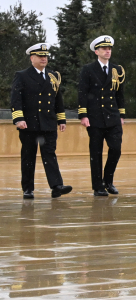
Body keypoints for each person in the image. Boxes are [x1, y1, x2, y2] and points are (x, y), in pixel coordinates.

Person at [11, 43, 72, 199]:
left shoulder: (53, 76)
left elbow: (58, 100)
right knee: (28, 156)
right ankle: (28, 189)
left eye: (45, 56)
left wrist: (61, 119)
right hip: (29, 124)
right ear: (32, 58)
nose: (44, 58)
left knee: (49, 154)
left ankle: (57, 186)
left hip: (48, 123)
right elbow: (16, 99)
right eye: (40, 56)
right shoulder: (22, 75)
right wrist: (18, 118)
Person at [77, 36, 126, 197]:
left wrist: (121, 114)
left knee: (116, 149)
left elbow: (119, 94)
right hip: (95, 117)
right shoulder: (88, 69)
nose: (107, 51)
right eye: (104, 49)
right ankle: (98, 186)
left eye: (109, 49)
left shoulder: (117, 70)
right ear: (96, 52)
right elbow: (83, 93)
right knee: (96, 153)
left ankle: (108, 181)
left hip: (113, 116)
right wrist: (83, 114)